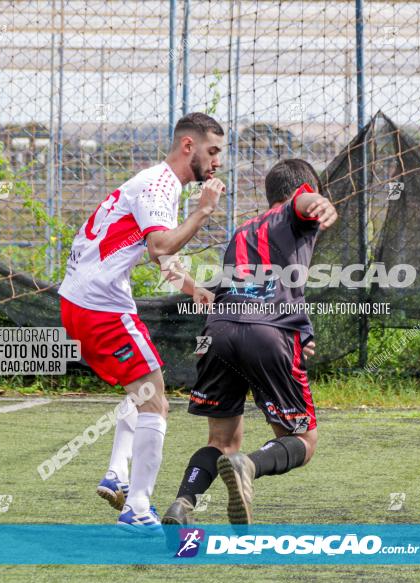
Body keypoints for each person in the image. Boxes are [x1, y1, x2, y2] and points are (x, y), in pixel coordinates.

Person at [58, 113, 226, 531]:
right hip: (100, 306)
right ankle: (137, 509)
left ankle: (117, 473)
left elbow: (161, 258)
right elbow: (158, 247)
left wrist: (193, 290)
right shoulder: (160, 184)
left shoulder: (154, 183)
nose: (217, 162)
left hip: (82, 301)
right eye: (213, 151)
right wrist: (203, 212)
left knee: (141, 390)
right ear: (188, 146)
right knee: (155, 398)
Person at [161, 158, 337, 528]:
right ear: (307, 190)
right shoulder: (297, 210)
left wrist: (296, 337)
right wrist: (316, 202)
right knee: (303, 440)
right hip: (266, 333)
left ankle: (182, 502)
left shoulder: (244, 230)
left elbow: (242, 292)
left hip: (217, 334)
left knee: (222, 440)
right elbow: (302, 203)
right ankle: (249, 465)